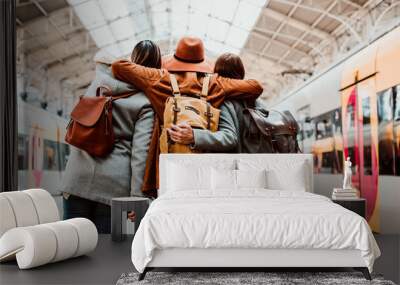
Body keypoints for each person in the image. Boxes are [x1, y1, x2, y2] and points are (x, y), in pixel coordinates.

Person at [111, 37, 264, 194]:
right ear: (203, 63)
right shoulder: (216, 82)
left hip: (168, 164)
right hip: (205, 165)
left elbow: (118, 66)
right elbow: (255, 87)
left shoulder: (158, 77)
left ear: (175, 59)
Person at [60, 40, 161, 233]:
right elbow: (140, 156)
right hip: (115, 191)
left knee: (72, 248)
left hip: (76, 180)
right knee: (111, 254)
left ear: (132, 59)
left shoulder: (99, 83)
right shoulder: (146, 102)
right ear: (156, 68)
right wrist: (136, 202)